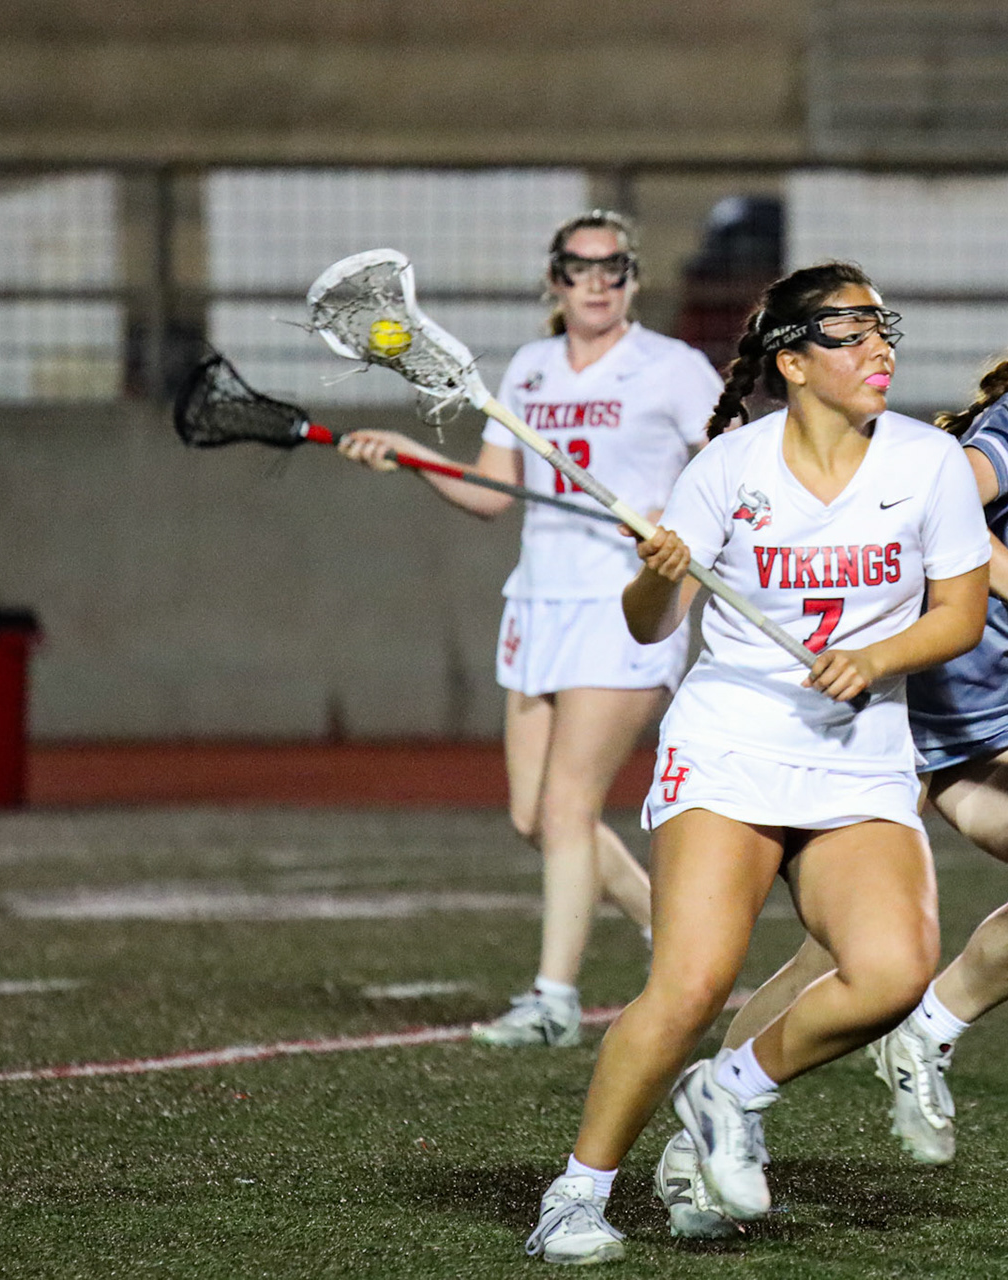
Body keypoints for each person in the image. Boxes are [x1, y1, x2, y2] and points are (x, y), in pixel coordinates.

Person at [653, 266, 1008, 1233]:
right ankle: (712, 1122)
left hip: (1002, 713)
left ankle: (928, 1029)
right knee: (841, 955)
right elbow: (939, 509)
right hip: (902, 704)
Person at [523, 261, 992, 1264]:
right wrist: (658, 575)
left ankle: (729, 1090)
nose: (879, 348)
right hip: (729, 745)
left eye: (883, 327)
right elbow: (648, 623)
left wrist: (877, 657)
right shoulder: (728, 467)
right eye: (851, 332)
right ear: (793, 361)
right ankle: (576, 1194)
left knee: (894, 973)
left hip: (858, 756)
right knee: (691, 985)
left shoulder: (930, 462)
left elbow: (961, 614)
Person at [338, 210, 720, 1048]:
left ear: (632, 278)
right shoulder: (531, 369)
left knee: (570, 805)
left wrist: (677, 525)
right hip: (539, 603)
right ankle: (681, 937)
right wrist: (410, 453)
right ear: (555, 279)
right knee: (534, 818)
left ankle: (553, 1001)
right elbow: (490, 492)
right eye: (579, 267)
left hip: (623, 605)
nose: (596, 282)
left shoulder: (674, 369)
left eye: (613, 267)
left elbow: (730, 468)